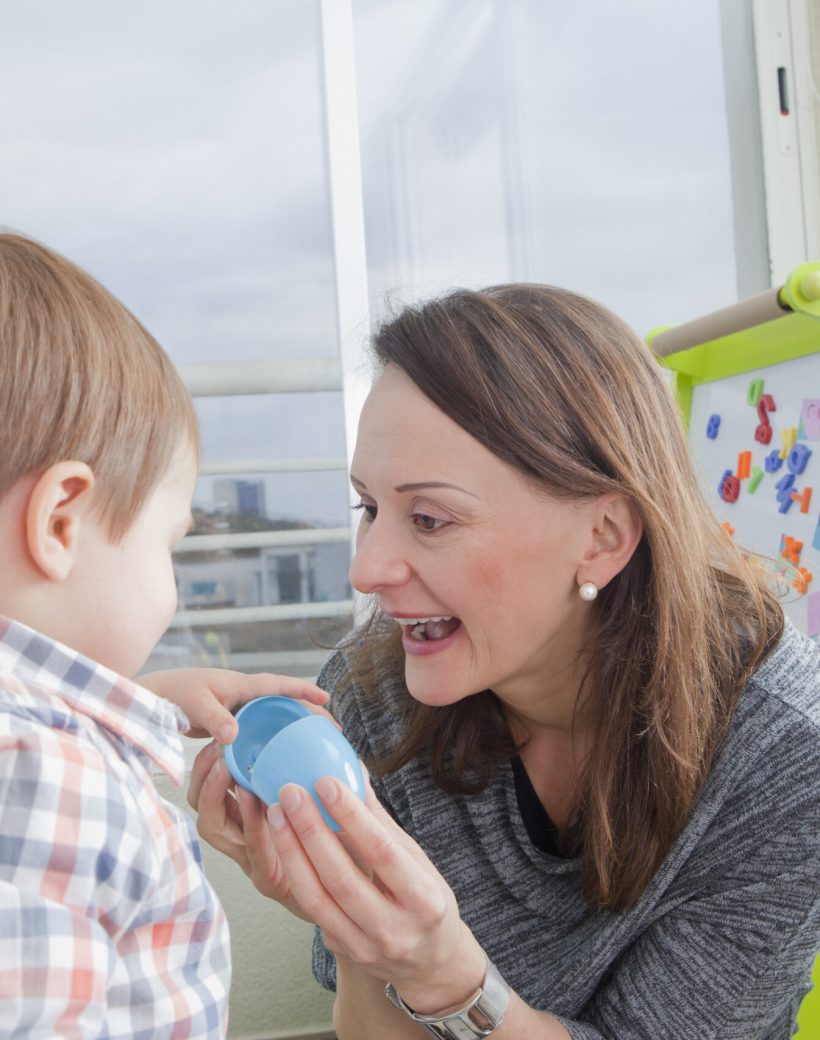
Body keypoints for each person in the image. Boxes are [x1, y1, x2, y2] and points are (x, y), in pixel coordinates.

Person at [188, 283, 820, 1039]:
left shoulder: (786, 754)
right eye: (369, 509)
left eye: (429, 518)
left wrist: (445, 978)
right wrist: (360, 933)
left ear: (603, 537)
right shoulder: (371, 697)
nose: (367, 570)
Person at [0, 232, 328, 1038]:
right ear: (60, 521)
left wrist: (138, 703)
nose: (171, 584)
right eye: (168, 544)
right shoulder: (49, 778)